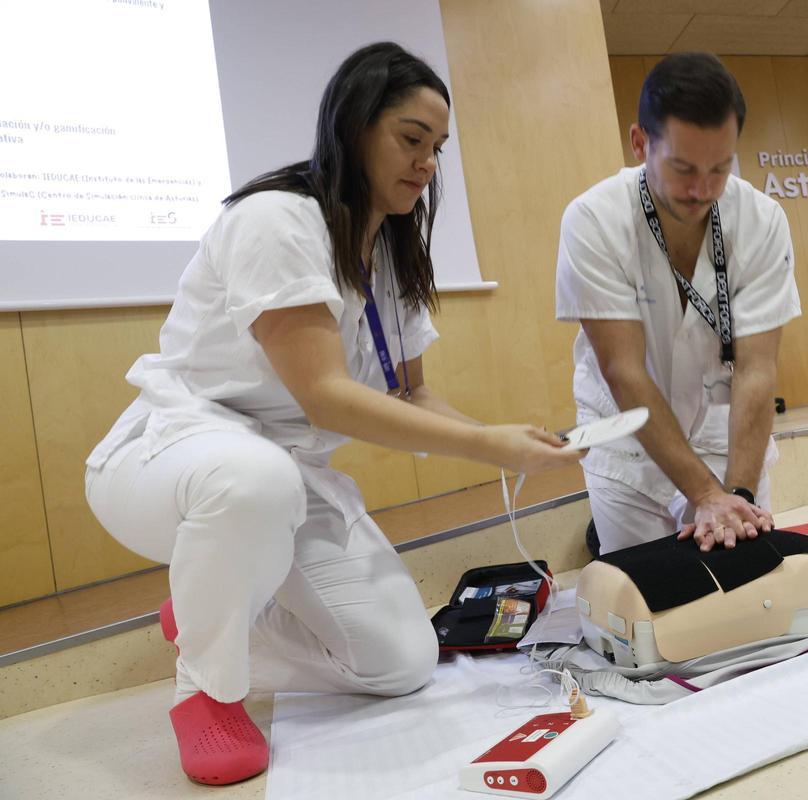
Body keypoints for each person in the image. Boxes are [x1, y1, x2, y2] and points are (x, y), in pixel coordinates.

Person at [84, 42, 580, 786]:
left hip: (284, 473)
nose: (427, 164)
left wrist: (513, 439)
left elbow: (410, 393)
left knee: (401, 662)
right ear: (353, 127)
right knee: (254, 482)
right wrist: (486, 446)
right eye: (412, 140)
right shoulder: (276, 219)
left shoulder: (391, 252)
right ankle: (208, 693)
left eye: (437, 148)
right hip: (176, 451)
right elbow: (324, 393)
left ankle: (206, 616)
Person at [555, 52, 800, 557]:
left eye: (720, 167)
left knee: (750, 587)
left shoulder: (761, 220)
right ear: (640, 143)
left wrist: (737, 496)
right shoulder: (594, 220)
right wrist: (703, 493)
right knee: (652, 611)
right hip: (630, 446)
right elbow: (623, 369)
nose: (702, 189)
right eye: (683, 168)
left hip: (725, 433)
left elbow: (757, 368)